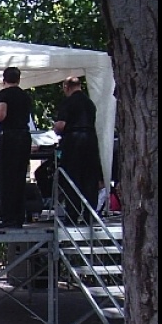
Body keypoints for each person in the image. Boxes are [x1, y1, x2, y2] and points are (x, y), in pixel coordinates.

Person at [0, 66, 34, 229]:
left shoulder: (4, 94)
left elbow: (1, 115)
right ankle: (19, 217)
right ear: (19, 79)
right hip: (24, 136)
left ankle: (8, 218)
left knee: (6, 177)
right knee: (20, 177)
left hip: (10, 137)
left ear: (4, 79)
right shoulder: (25, 95)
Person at [53, 76, 104, 224]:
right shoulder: (90, 103)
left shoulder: (68, 102)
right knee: (89, 178)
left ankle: (72, 215)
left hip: (74, 141)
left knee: (72, 178)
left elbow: (61, 125)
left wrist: (55, 128)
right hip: (90, 141)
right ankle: (90, 215)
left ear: (66, 87)